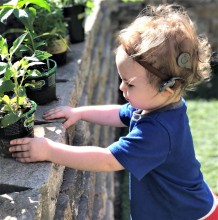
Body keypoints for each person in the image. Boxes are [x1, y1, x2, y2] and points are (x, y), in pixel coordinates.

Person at [9, 4, 218, 220]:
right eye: (122, 80)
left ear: (168, 88)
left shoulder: (158, 132)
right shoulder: (157, 104)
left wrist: (49, 150)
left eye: (130, 84)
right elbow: (120, 113)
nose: (121, 88)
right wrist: (80, 112)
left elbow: (108, 159)